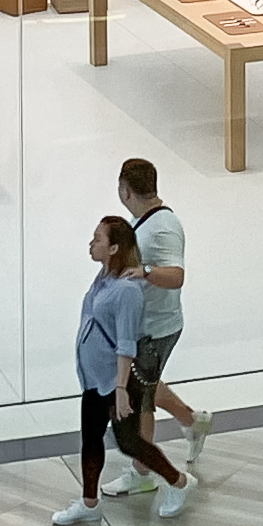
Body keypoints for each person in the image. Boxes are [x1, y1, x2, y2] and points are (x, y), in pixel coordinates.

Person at [51, 215, 190, 526]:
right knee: (91, 438)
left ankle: (179, 481)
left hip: (114, 382)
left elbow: (126, 343)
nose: (91, 243)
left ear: (114, 247)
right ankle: (89, 503)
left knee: (129, 442)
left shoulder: (127, 291)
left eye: (98, 239)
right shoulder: (103, 278)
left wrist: (121, 388)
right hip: (94, 379)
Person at [101, 160, 206, 492]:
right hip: (144, 328)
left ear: (125, 190)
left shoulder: (162, 228)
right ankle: (192, 421)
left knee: (140, 399)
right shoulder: (143, 220)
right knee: (145, 385)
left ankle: (142, 471)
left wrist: (144, 272)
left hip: (155, 331)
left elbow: (177, 276)